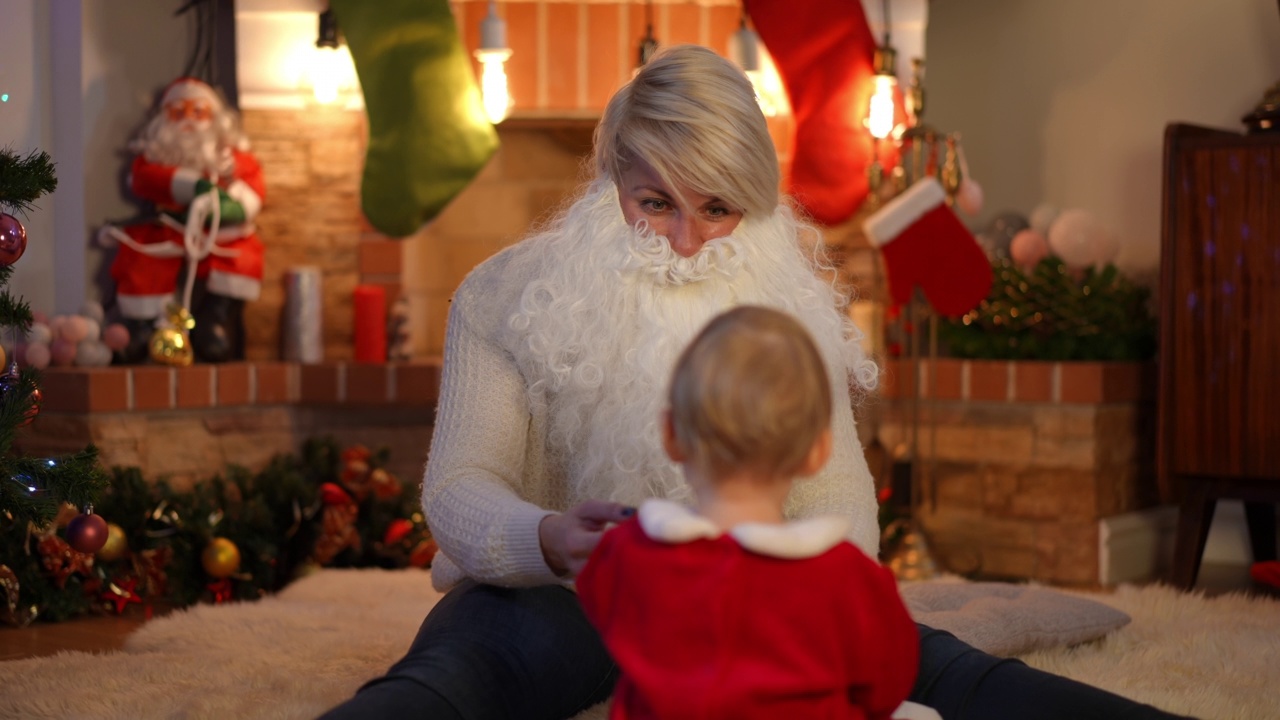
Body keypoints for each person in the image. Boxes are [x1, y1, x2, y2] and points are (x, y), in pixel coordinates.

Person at [321, 44, 1188, 720]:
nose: (688, 241)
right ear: (612, 177)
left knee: (946, 668)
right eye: (654, 202)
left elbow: (840, 506)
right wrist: (550, 537)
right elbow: (458, 488)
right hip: (560, 596)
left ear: (755, 204)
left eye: (717, 209)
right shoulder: (505, 294)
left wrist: (792, 602)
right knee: (454, 679)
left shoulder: (788, 302)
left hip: (755, 604)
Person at [576, 305, 923, 719]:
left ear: (670, 435)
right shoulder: (849, 576)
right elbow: (888, 683)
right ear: (818, 453)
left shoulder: (626, 555)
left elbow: (600, 607)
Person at [104, 76, 265, 363]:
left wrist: (229, 208)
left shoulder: (232, 158)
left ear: (215, 118)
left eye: (197, 111)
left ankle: (212, 322)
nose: (188, 120)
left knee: (243, 254)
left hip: (217, 234)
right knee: (141, 258)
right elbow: (144, 178)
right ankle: (144, 327)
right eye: (178, 112)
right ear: (164, 119)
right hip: (168, 227)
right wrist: (193, 187)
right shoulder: (156, 155)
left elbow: (253, 191)